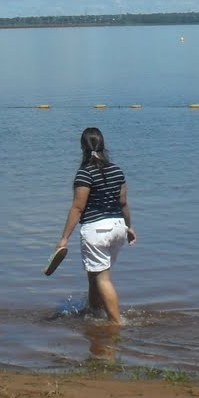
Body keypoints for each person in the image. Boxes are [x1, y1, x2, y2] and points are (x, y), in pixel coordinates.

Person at [55, 127, 135, 324]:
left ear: (82, 147)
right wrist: (129, 228)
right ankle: (93, 313)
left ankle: (117, 324)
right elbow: (123, 203)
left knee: (102, 278)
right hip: (117, 228)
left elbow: (77, 208)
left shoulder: (85, 173)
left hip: (97, 230)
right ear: (103, 145)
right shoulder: (117, 170)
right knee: (94, 275)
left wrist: (64, 239)